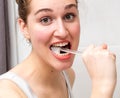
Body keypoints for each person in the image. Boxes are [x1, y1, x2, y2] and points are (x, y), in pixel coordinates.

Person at [0, 0, 117, 98]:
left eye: (68, 16)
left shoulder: (67, 75)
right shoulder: (7, 92)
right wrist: (102, 87)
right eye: (45, 19)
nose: (62, 32)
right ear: (24, 28)